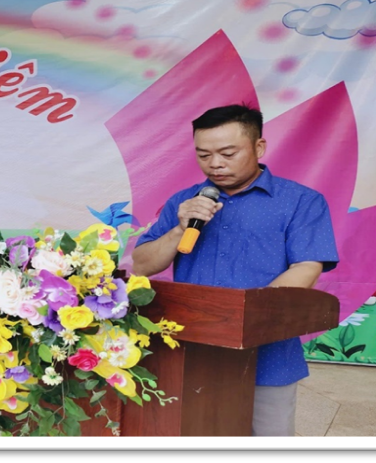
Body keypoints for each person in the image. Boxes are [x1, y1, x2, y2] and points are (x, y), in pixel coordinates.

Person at [130, 103, 339, 437]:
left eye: (228, 153)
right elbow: (142, 265)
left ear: (259, 147)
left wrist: (243, 319)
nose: (215, 164)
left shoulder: (301, 201)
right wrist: (178, 229)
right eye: (203, 155)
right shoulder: (185, 202)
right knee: (189, 434)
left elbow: (307, 266)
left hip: (267, 353)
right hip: (189, 351)